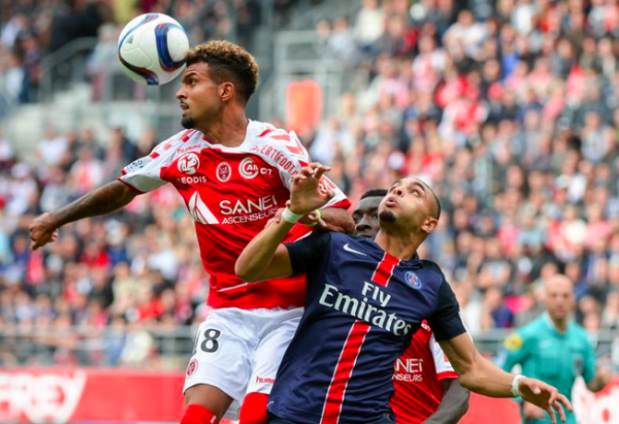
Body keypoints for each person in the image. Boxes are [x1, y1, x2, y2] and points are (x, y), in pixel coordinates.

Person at [29, 40, 353, 424]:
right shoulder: (179, 151)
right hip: (227, 312)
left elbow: (343, 218)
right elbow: (122, 188)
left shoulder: (275, 146)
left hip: (289, 312)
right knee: (194, 418)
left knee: (254, 419)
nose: (180, 92)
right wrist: (56, 218)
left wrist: (300, 214)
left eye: (191, 82)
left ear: (225, 90)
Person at [235, 165, 572, 424]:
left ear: (429, 223)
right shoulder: (334, 247)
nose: (396, 191)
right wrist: (292, 213)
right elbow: (247, 269)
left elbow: (470, 369)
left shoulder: (431, 283)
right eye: (395, 188)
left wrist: (518, 385)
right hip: (295, 413)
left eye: (414, 191)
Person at [353, 189, 469, 424]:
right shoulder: (340, 286)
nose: (361, 225)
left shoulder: (432, 297)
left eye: (375, 216)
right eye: (356, 219)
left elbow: (463, 383)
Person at [499, 274, 613, 424]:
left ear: (573, 299)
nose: (560, 300)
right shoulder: (526, 335)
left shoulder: (582, 338)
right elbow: (500, 369)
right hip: (537, 420)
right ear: (544, 298)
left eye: (565, 296)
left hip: (568, 419)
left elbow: (591, 383)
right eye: (554, 295)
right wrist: (523, 399)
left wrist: (600, 381)